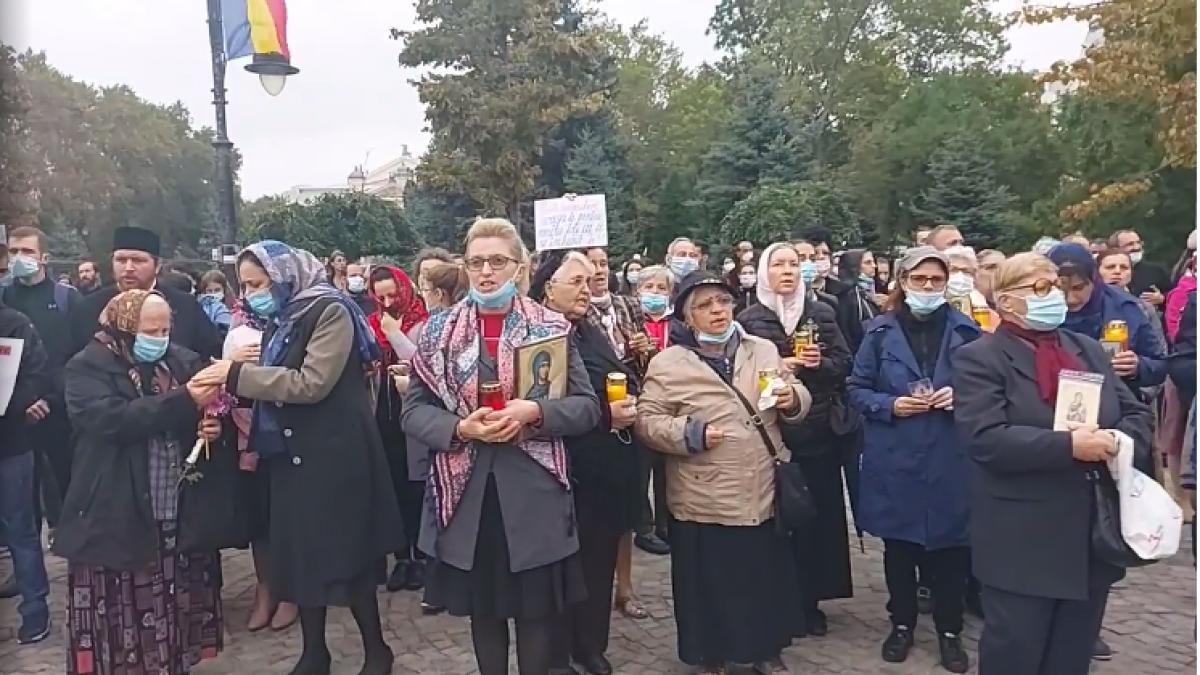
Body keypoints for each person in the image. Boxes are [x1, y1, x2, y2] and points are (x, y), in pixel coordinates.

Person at [189, 240, 402, 675]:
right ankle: (314, 652)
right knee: (301, 554)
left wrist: (236, 375)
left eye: (257, 283)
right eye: (244, 286)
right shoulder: (280, 318)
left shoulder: (330, 310)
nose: (250, 295)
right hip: (289, 452)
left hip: (336, 453)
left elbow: (311, 382)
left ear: (284, 275)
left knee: (350, 553)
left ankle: (377, 650)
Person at [400, 218, 601, 675]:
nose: (486, 272)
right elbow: (413, 413)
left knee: (535, 614)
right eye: (475, 262)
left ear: (519, 266)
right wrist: (460, 428)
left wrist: (535, 413)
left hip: (534, 493)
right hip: (468, 496)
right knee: (485, 611)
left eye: (497, 261)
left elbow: (587, 408)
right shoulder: (437, 333)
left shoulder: (550, 327)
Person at [954, 252, 1152, 675]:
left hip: (1088, 536)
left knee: (1070, 658)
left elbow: (1135, 412)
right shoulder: (980, 358)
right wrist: (1067, 447)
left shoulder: (1085, 349)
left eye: (1056, 285)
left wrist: (1117, 441)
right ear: (1007, 302)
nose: (1055, 295)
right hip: (1022, 539)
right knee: (1016, 654)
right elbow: (986, 439)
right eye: (1040, 288)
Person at [636, 270, 810, 674]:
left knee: (763, 574)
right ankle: (709, 653)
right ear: (686, 317)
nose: (717, 311)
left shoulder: (762, 349)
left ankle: (765, 648)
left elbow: (795, 395)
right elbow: (647, 421)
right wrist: (689, 433)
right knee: (709, 582)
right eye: (704, 305)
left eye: (723, 302)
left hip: (761, 484)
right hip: (703, 492)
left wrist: (791, 398)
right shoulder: (669, 363)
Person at [56, 290, 225, 672]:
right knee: (120, 610)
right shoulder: (86, 367)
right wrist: (185, 401)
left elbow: (195, 414)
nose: (159, 338)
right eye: (150, 330)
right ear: (123, 327)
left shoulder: (179, 361)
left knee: (172, 600)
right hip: (115, 507)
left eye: (165, 328)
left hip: (174, 503)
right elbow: (113, 419)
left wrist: (209, 427)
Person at [846, 247, 980, 673]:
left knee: (951, 550)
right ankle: (901, 623)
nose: (927, 287)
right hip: (897, 452)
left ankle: (949, 629)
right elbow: (856, 388)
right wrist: (890, 406)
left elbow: (988, 386)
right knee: (900, 547)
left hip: (949, 453)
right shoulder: (880, 333)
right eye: (919, 280)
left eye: (935, 281)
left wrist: (962, 397)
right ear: (903, 282)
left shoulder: (967, 331)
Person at [736, 242, 853, 637]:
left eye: (794, 263)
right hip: (770, 436)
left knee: (815, 518)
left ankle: (811, 600)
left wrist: (820, 365)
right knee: (774, 521)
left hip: (817, 432)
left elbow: (846, 364)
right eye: (779, 264)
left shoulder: (821, 312)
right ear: (765, 273)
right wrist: (779, 366)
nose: (787, 271)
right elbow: (738, 374)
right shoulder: (749, 318)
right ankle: (776, 599)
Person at [535, 252, 643, 675]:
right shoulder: (540, 333)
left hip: (607, 466)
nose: (587, 287)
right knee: (566, 567)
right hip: (568, 466)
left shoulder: (588, 327)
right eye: (575, 281)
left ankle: (590, 644)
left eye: (589, 279)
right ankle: (560, 648)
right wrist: (605, 414)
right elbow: (546, 403)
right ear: (548, 287)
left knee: (599, 561)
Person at [3, 226, 84, 530]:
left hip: (58, 408)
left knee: (66, 481)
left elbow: (77, 356)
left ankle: (71, 545)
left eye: (27, 252)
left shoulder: (66, 299)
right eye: (13, 252)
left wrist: (50, 398)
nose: (19, 258)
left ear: (44, 257)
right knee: (21, 498)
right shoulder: (4, 296)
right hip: (13, 413)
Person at [0, 228, 52, 645]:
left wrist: (17, 403)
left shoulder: (14, 324)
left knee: (20, 530)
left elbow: (36, 373)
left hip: (11, 444)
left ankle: (34, 610)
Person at [366, 265, 431, 595]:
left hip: (413, 412)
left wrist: (394, 333)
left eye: (393, 294)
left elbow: (426, 363)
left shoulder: (424, 321)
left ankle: (422, 556)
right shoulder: (371, 323)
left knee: (416, 485)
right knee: (393, 484)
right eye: (381, 297)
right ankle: (401, 557)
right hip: (383, 412)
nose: (389, 302)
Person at [70, 226, 220, 359]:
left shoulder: (186, 306)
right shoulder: (89, 308)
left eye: (138, 260)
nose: (128, 267)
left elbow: (210, 355)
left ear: (157, 266)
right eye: (121, 260)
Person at [1049, 243, 1167, 399]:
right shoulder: (1038, 310)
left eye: (1078, 288)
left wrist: (1137, 366)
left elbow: (1160, 364)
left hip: (1116, 405)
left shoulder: (1126, 307)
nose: (1070, 299)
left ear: (1094, 279)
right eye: (1061, 290)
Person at [1097, 248, 1168, 355]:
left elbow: (1160, 352)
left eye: (1124, 268)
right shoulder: (1085, 304)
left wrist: (1138, 363)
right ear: (1097, 271)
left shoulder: (1144, 307)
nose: (1117, 271)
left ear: (1131, 273)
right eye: (1110, 267)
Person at [833, 249, 881, 354]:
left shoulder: (868, 291)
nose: (874, 266)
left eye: (873, 262)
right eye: (868, 263)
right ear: (854, 266)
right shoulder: (848, 295)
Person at [1109, 229, 1173, 305]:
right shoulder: (1106, 272)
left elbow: (1173, 295)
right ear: (1115, 249)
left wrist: (1162, 298)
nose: (1136, 247)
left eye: (1138, 243)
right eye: (1130, 244)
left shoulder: (1157, 270)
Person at [198, 269, 236, 335]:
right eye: (209, 291)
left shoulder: (236, 306)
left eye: (217, 290)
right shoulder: (201, 307)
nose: (213, 293)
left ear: (224, 289)